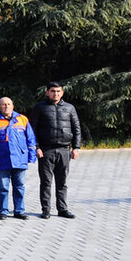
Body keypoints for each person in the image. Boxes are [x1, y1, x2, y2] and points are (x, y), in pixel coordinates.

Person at [30, 81, 82, 219]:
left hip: (64, 150)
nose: (56, 93)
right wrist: (36, 147)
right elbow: (32, 130)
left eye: (58, 91)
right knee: (46, 182)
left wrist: (76, 147)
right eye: (53, 91)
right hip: (46, 151)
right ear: (47, 92)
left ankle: (62, 209)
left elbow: (76, 129)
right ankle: (46, 210)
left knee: (62, 182)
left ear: (62, 92)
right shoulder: (39, 108)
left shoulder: (70, 108)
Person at [0, 97, 37, 220]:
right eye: (3, 105)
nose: (6, 106)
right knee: (3, 188)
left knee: (20, 187)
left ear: (13, 106)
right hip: (2, 159)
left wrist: (31, 156)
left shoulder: (23, 120)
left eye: (8, 104)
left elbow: (31, 139)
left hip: (20, 159)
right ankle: (3, 211)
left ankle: (19, 211)